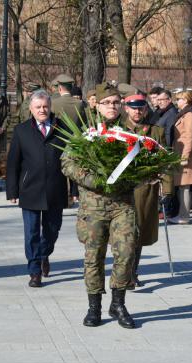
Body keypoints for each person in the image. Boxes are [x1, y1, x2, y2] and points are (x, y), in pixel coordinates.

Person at [61, 82, 137, 329]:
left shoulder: (130, 133)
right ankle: (94, 307)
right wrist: (93, 180)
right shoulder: (85, 133)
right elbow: (68, 164)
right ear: (97, 105)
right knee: (94, 257)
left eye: (116, 102)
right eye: (107, 103)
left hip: (122, 204)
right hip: (93, 206)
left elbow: (141, 162)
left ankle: (118, 303)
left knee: (126, 253)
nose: (112, 106)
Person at [7, 90, 68, 287]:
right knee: (31, 232)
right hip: (30, 189)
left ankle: (44, 254)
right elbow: (13, 163)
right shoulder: (21, 130)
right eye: (38, 107)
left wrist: (73, 191)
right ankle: (34, 271)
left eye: (45, 107)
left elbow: (73, 160)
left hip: (55, 189)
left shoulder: (62, 128)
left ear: (50, 107)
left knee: (52, 231)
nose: (42, 110)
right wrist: (12, 191)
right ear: (31, 110)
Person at [122, 93, 172, 288]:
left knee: (139, 232)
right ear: (126, 108)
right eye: (133, 107)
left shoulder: (155, 132)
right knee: (124, 233)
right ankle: (124, 271)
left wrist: (167, 189)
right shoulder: (118, 130)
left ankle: (133, 271)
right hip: (122, 189)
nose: (137, 111)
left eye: (141, 108)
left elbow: (165, 161)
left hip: (145, 190)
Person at [168, 90, 192, 225]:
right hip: (181, 153)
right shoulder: (185, 113)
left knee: (184, 187)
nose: (177, 102)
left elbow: (190, 137)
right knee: (182, 187)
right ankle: (183, 215)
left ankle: (184, 216)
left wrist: (184, 157)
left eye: (179, 99)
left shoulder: (189, 115)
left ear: (186, 101)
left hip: (186, 156)